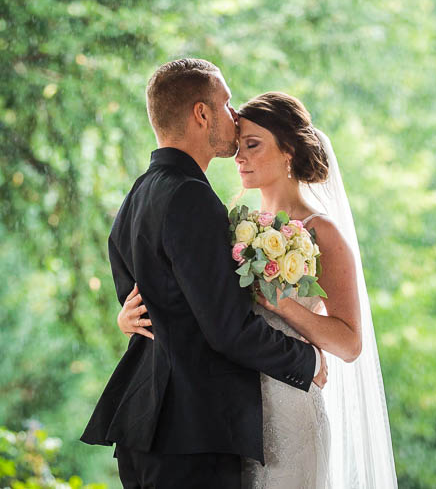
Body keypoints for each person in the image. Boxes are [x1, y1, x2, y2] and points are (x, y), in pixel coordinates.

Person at [118, 91, 398, 488]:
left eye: (252, 145)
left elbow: (350, 344)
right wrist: (130, 317)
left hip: (289, 404)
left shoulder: (324, 233)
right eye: (239, 146)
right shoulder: (230, 226)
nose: (239, 157)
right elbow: (195, 302)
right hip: (228, 417)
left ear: (288, 151)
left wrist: (288, 308)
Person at [81, 60, 328, 489]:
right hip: (190, 435)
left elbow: (145, 307)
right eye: (226, 103)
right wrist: (306, 361)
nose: (234, 116)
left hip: (144, 427)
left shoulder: (137, 195)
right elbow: (227, 329)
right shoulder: (191, 198)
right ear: (201, 114)